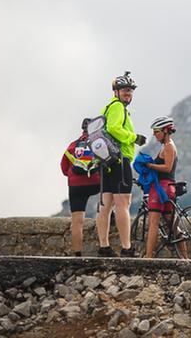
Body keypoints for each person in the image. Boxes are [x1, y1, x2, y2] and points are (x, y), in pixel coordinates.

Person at [95, 71, 146, 257]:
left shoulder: (107, 107)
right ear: (116, 91)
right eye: (124, 90)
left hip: (106, 161)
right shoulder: (117, 107)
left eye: (130, 91)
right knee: (123, 203)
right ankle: (126, 248)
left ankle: (104, 246)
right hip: (119, 159)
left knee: (106, 204)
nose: (128, 93)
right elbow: (114, 128)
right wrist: (134, 137)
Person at [59, 118, 101, 256]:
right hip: (95, 183)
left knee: (77, 222)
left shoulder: (73, 146)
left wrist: (74, 176)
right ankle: (110, 215)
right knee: (108, 200)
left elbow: (64, 167)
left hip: (76, 185)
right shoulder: (98, 143)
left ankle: (77, 254)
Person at [142, 116, 179, 258]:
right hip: (169, 187)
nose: (154, 134)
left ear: (165, 130)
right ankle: (185, 256)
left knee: (153, 223)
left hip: (161, 188)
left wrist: (150, 165)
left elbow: (168, 167)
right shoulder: (167, 146)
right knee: (172, 224)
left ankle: (148, 256)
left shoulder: (168, 146)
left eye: (156, 131)